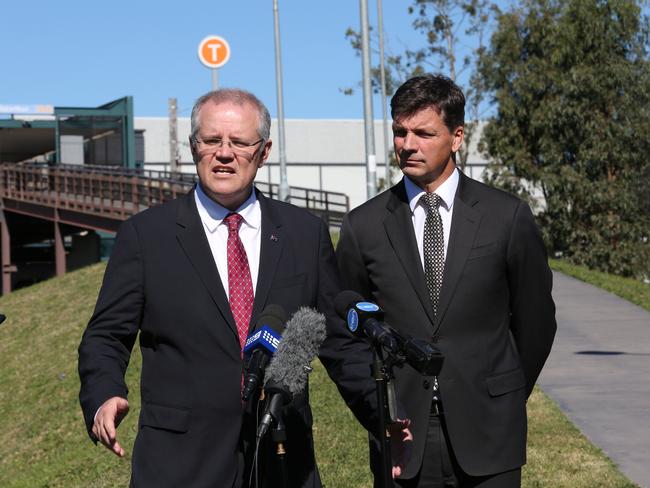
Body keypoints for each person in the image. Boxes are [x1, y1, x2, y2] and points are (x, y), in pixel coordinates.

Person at [78, 88, 380, 487]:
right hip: (180, 463)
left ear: (264, 150)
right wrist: (103, 393)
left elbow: (339, 344)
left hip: (282, 456)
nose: (224, 153)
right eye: (211, 140)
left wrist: (384, 418)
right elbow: (106, 335)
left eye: (239, 142)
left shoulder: (305, 234)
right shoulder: (146, 236)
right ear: (193, 147)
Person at [336, 74, 557, 487]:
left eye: (423, 132)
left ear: (456, 137)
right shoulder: (362, 226)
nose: (407, 144)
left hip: (490, 429)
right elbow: (345, 328)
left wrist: (501, 394)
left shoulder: (506, 216)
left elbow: (537, 321)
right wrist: (377, 409)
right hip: (402, 434)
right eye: (400, 132)